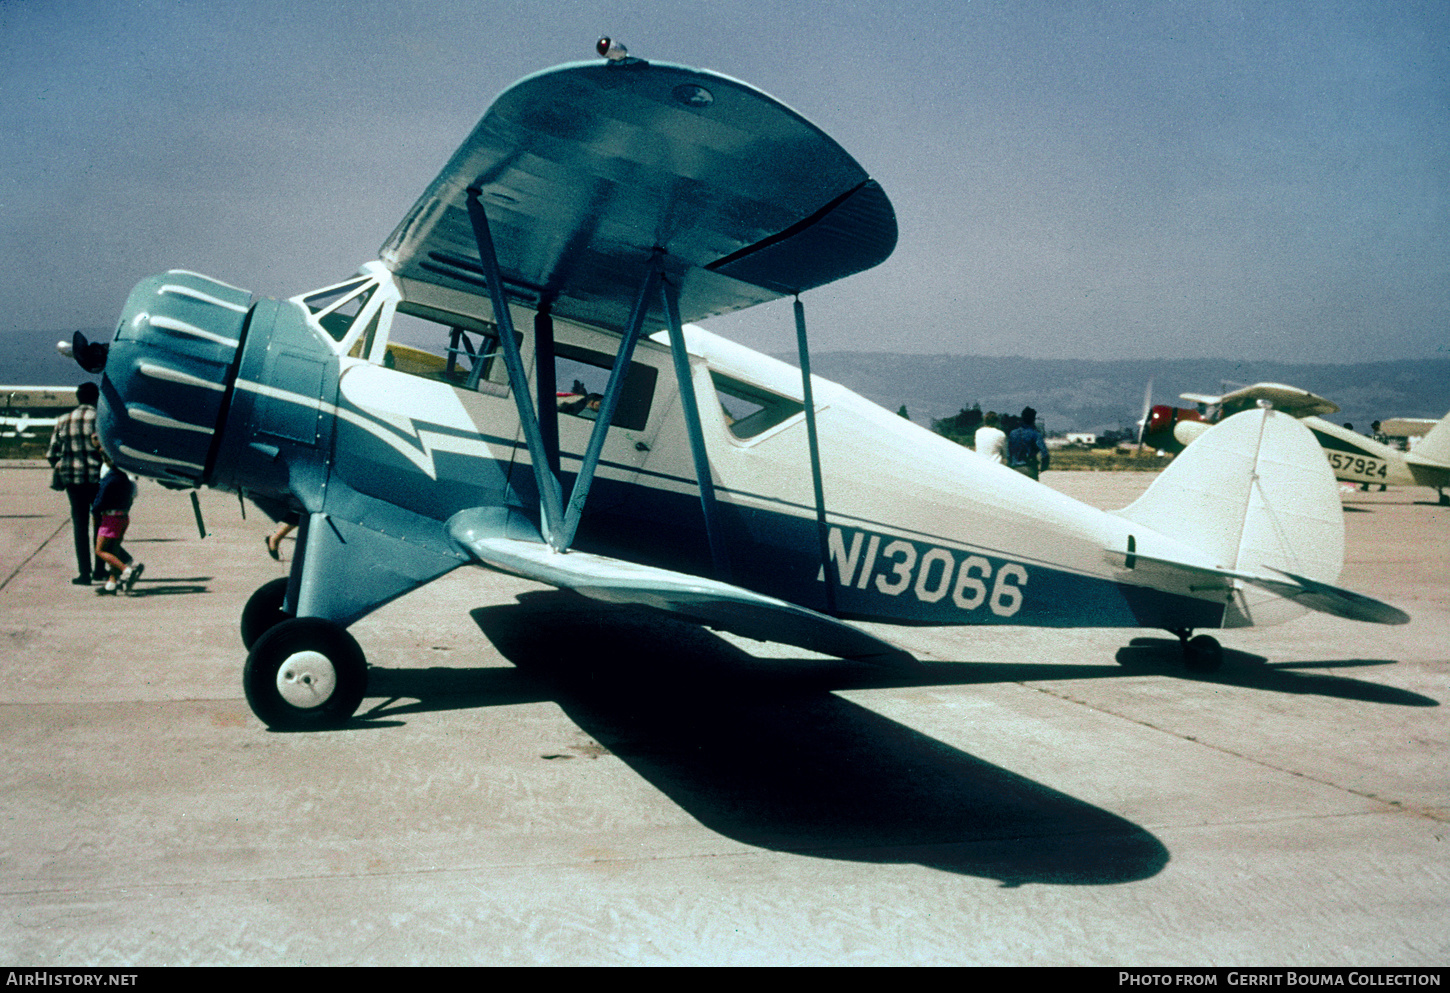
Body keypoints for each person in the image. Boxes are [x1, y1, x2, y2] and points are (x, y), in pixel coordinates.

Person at [46, 383, 105, 585]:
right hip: (98, 480)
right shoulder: (101, 419)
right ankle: (100, 569)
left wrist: (63, 466)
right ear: (96, 398)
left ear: (78, 398)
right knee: (100, 524)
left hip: (73, 481)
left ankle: (84, 573)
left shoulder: (63, 420)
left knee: (80, 526)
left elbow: (52, 453)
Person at [91, 452, 143, 595]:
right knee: (114, 550)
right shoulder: (125, 478)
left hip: (110, 519)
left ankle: (127, 569)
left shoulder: (109, 479)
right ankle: (112, 584)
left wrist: (95, 511)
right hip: (123, 517)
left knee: (100, 550)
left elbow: (99, 500)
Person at [1007, 406, 1050, 480]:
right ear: (1033, 419)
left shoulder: (1013, 433)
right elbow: (1044, 454)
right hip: (1030, 469)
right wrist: (1043, 468)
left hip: (1015, 469)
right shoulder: (1035, 434)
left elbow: (1008, 454)